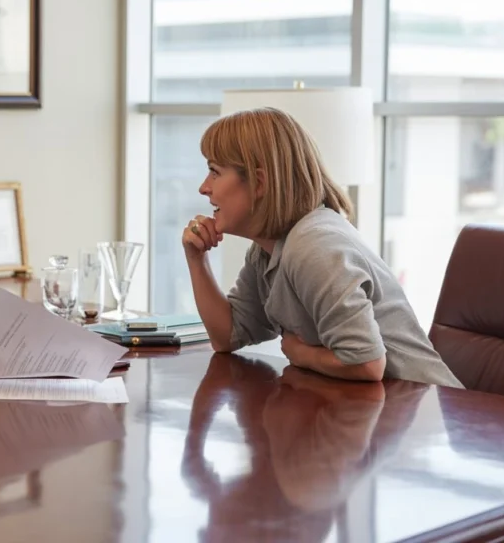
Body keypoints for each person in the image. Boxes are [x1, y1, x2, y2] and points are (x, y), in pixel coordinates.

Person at [181, 107, 462, 387]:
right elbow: (227, 336)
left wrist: (300, 354)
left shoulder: (314, 246)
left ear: (259, 183)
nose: (204, 188)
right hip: (378, 411)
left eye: (215, 172)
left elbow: (367, 363)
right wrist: (197, 260)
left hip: (427, 413)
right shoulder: (267, 250)